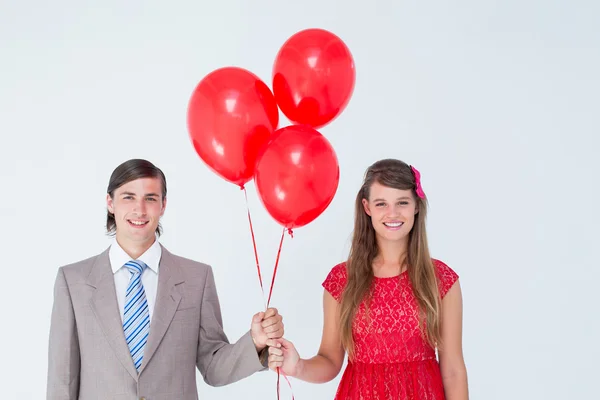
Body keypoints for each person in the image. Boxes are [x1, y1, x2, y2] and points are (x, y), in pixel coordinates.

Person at [47, 159, 284, 400]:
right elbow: (62, 381)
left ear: (163, 205)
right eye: (128, 197)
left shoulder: (196, 279)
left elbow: (214, 367)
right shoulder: (73, 282)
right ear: (110, 202)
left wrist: (255, 341)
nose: (139, 210)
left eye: (150, 198)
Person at [267, 159, 468, 399]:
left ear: (416, 206)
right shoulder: (342, 280)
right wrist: (297, 366)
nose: (392, 213)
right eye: (381, 203)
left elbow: (453, 371)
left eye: (402, 202)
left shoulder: (441, 280)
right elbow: (330, 360)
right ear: (367, 207)